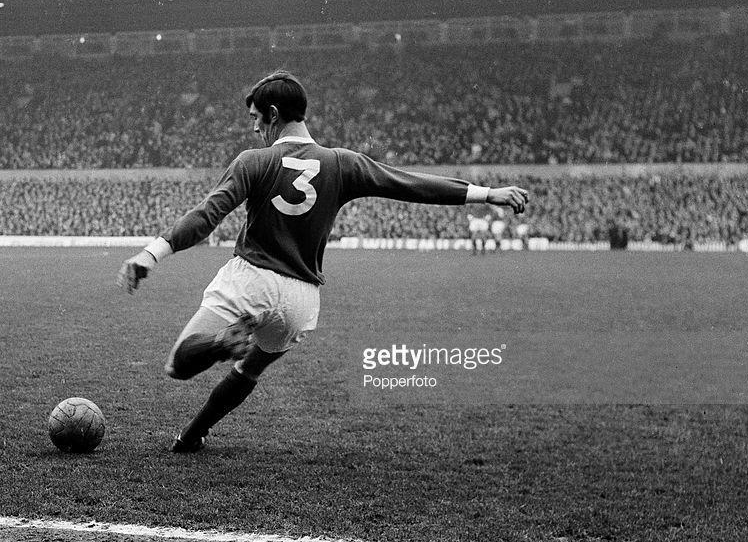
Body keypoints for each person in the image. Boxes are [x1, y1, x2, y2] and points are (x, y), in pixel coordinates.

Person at [117, 71, 529, 453]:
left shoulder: (254, 162)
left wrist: (151, 254)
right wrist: (486, 193)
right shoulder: (342, 163)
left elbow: (206, 216)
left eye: (256, 118)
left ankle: (220, 343)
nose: (254, 127)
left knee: (180, 363)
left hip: (251, 280)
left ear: (274, 115)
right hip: (300, 300)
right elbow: (409, 184)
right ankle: (194, 433)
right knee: (249, 371)